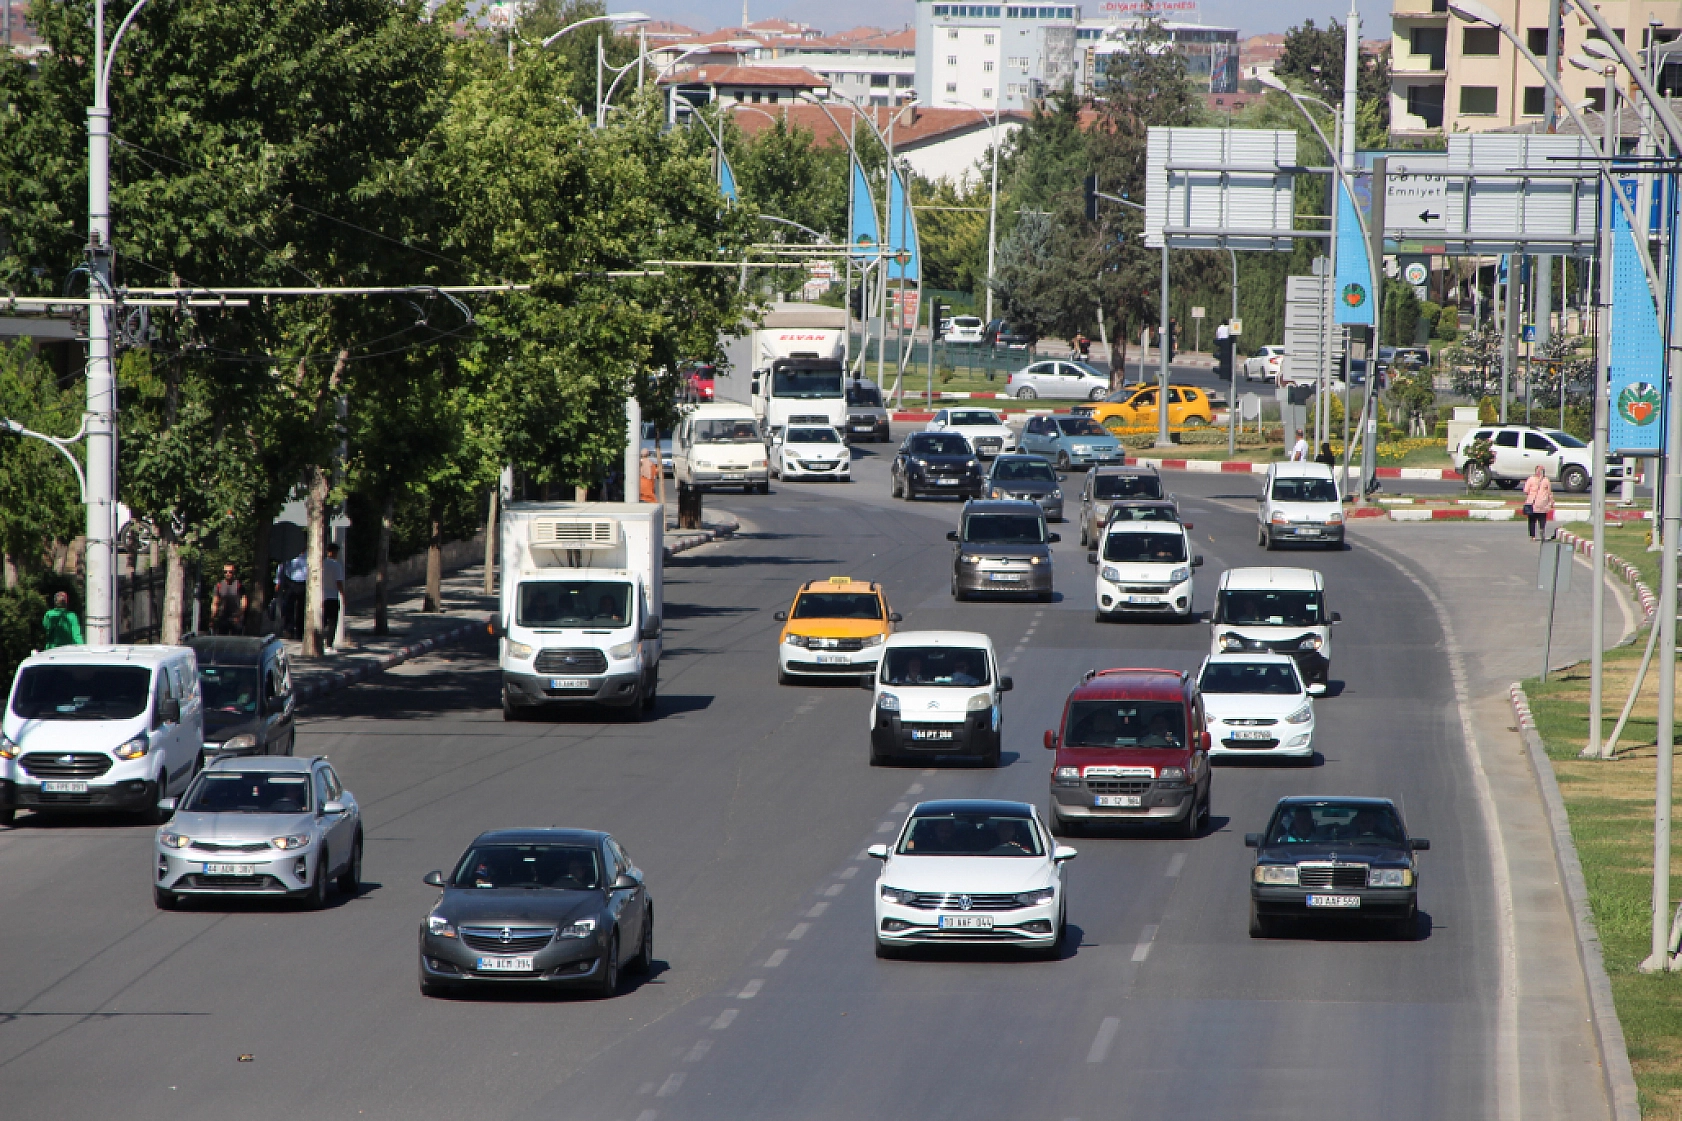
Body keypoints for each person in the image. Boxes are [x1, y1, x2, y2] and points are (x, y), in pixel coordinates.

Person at [321, 543, 346, 654]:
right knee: (332, 622)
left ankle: (320, 642)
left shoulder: (321, 564)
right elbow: (338, 582)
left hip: (321, 597)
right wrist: (343, 595)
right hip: (332, 597)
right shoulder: (336, 566)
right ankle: (328, 645)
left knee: (322, 621)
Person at [277, 551, 308, 639]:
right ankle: (289, 630)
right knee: (288, 607)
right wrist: (278, 581)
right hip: (290, 582)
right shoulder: (291, 554)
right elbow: (282, 566)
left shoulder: (308, 556)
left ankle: (300, 632)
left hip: (303, 583)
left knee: (301, 609)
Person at [210, 563, 247, 636]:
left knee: (235, 642)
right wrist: (212, 618)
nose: (228, 574)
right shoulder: (219, 585)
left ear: (234, 572)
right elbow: (215, 603)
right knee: (221, 640)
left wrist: (239, 616)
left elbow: (244, 603)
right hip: (223, 617)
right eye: (225, 572)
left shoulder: (239, 585)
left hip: (236, 618)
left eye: (230, 572)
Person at [1522, 465, 1555, 541]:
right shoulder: (1546, 480)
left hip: (1532, 503)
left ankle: (1532, 536)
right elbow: (1549, 492)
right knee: (1542, 518)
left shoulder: (1531, 479)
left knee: (1532, 520)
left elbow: (1526, 490)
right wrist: (1551, 501)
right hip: (1543, 503)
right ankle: (1542, 529)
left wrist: (1531, 494)